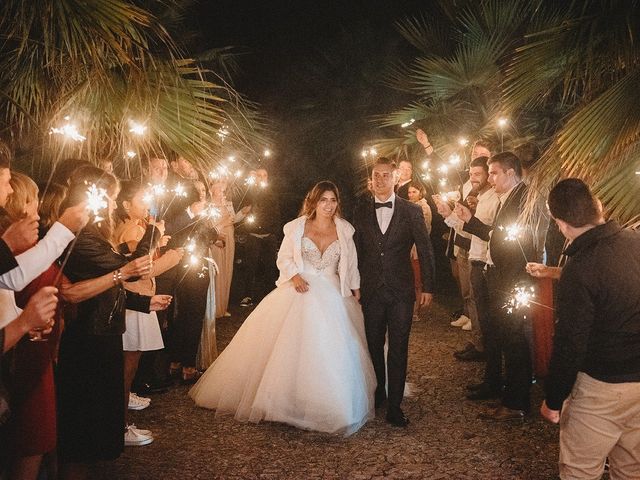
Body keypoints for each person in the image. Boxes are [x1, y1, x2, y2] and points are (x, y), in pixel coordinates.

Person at [190, 181, 376, 435]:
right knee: (290, 348)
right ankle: (283, 402)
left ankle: (327, 402)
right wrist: (294, 276)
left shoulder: (344, 229)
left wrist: (355, 291)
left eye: (333, 200)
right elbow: (284, 257)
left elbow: (351, 264)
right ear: (314, 202)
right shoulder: (297, 227)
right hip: (300, 288)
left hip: (333, 293)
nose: (329, 205)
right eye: (323, 200)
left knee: (330, 348)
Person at [56, 167, 172, 479]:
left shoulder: (93, 235)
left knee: (92, 425)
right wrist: (154, 232)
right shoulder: (82, 240)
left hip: (103, 331)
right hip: (87, 337)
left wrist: (145, 303)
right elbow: (128, 270)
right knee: (82, 427)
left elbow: (110, 283)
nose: (110, 205)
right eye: (109, 198)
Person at [540, 179, 640, 479]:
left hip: (601, 387)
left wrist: (553, 400)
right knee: (632, 469)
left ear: (560, 223)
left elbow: (571, 343)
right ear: (598, 206)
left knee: (580, 471)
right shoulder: (635, 241)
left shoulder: (579, 268)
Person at [353, 157, 435, 427]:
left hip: (401, 291)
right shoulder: (360, 210)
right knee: (373, 344)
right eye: (376, 175)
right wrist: (353, 284)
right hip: (371, 290)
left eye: (386, 175)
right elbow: (354, 251)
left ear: (396, 178)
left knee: (399, 347)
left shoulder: (411, 211)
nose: (380, 180)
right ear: (370, 179)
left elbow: (425, 250)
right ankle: (379, 391)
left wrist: (428, 287)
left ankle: (395, 406)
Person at [455, 152, 537, 419]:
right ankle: (509, 396)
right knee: (506, 338)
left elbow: (513, 242)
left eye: (493, 172)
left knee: (515, 342)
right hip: (501, 276)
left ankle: (516, 403)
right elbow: (495, 236)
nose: (490, 178)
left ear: (510, 172)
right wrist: (471, 221)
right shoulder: (508, 199)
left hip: (512, 280)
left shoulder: (521, 199)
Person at [114, 181, 183, 444]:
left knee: (130, 365)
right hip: (135, 301)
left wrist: (156, 241)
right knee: (127, 367)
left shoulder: (138, 227)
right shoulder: (132, 228)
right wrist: (174, 257)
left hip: (139, 299)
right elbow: (142, 268)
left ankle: (121, 419)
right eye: (142, 199)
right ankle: (119, 426)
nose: (147, 204)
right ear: (126, 205)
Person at [236, 167, 281, 307]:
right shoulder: (249, 192)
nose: (262, 177)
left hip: (268, 235)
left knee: (270, 266)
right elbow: (244, 208)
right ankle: (248, 295)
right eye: (259, 175)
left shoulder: (272, 193)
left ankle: (269, 295)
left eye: (264, 175)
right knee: (251, 266)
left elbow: (276, 213)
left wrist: (273, 231)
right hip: (253, 235)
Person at [406, 181, 432, 321]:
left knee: (416, 280)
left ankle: (415, 311)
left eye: (414, 192)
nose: (411, 195)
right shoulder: (409, 206)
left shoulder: (424, 208)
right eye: (409, 192)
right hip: (408, 249)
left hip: (416, 250)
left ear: (420, 192)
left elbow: (425, 231)